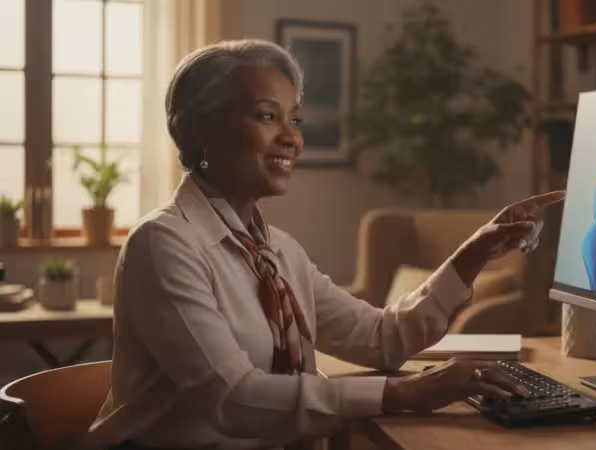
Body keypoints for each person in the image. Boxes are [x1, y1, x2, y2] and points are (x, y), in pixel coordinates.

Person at [89, 39, 565, 450]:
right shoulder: (164, 243)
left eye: (294, 120)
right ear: (203, 130)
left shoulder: (276, 254)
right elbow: (231, 399)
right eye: (267, 116)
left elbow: (383, 340)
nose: (291, 139)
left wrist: (474, 252)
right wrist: (408, 393)